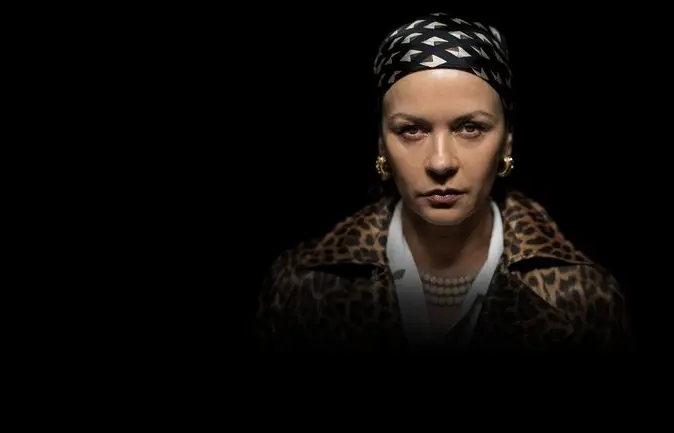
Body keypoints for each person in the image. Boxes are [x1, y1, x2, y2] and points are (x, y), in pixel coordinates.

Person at [256, 13, 632, 353]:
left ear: (507, 141)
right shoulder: (301, 288)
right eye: (411, 130)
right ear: (381, 143)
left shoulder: (585, 299)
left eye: (470, 128)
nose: (440, 162)